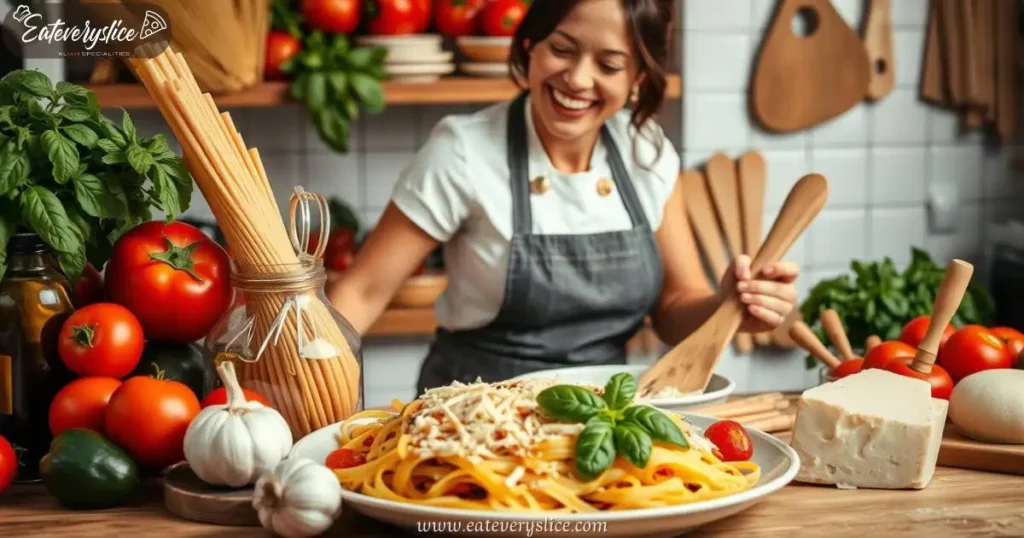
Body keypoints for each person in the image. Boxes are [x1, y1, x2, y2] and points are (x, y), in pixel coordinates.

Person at [328, 0, 801, 395]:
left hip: (606, 418)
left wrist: (731, 308)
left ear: (637, 78)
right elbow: (362, 292)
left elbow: (676, 306)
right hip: (473, 418)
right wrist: (300, 382)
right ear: (530, 46)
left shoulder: (646, 152)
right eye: (561, 49)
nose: (577, 79)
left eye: (610, 65)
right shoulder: (463, 152)